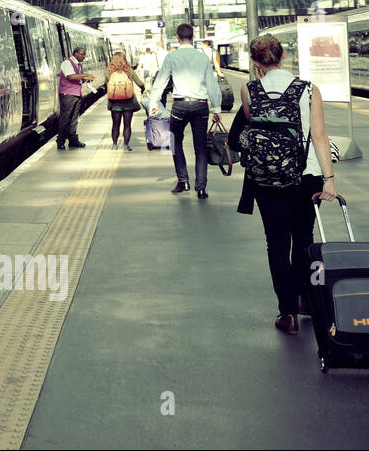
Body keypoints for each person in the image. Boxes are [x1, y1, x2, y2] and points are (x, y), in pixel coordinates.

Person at [236, 35, 337, 336]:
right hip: (307, 177)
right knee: (303, 238)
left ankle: (287, 313)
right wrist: (329, 179)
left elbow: (256, 129)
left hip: (267, 180)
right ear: (283, 56)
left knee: (277, 243)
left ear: (255, 63)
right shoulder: (308, 90)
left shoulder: (249, 89)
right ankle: (305, 298)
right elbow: (319, 136)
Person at [149, 23, 223, 198]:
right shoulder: (203, 57)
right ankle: (201, 188)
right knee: (200, 147)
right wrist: (217, 108)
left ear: (177, 37)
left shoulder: (171, 57)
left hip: (180, 106)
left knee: (175, 141)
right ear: (193, 36)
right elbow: (212, 84)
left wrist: (153, 103)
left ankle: (183, 181)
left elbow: (160, 82)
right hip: (200, 105)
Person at [103, 51, 145, 150]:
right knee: (127, 125)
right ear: (124, 59)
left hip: (114, 102)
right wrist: (143, 89)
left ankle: (114, 145)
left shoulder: (108, 71)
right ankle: (126, 145)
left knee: (115, 124)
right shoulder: (129, 70)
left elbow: (106, 86)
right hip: (129, 102)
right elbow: (139, 83)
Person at [57, 46, 95, 150]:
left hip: (76, 94)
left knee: (74, 118)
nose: (84, 57)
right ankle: (60, 141)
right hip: (67, 94)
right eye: (82, 54)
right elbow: (71, 76)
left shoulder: (79, 65)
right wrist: (85, 75)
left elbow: (77, 79)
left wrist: (85, 80)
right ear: (76, 53)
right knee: (65, 118)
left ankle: (73, 140)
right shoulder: (67, 63)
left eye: (84, 55)